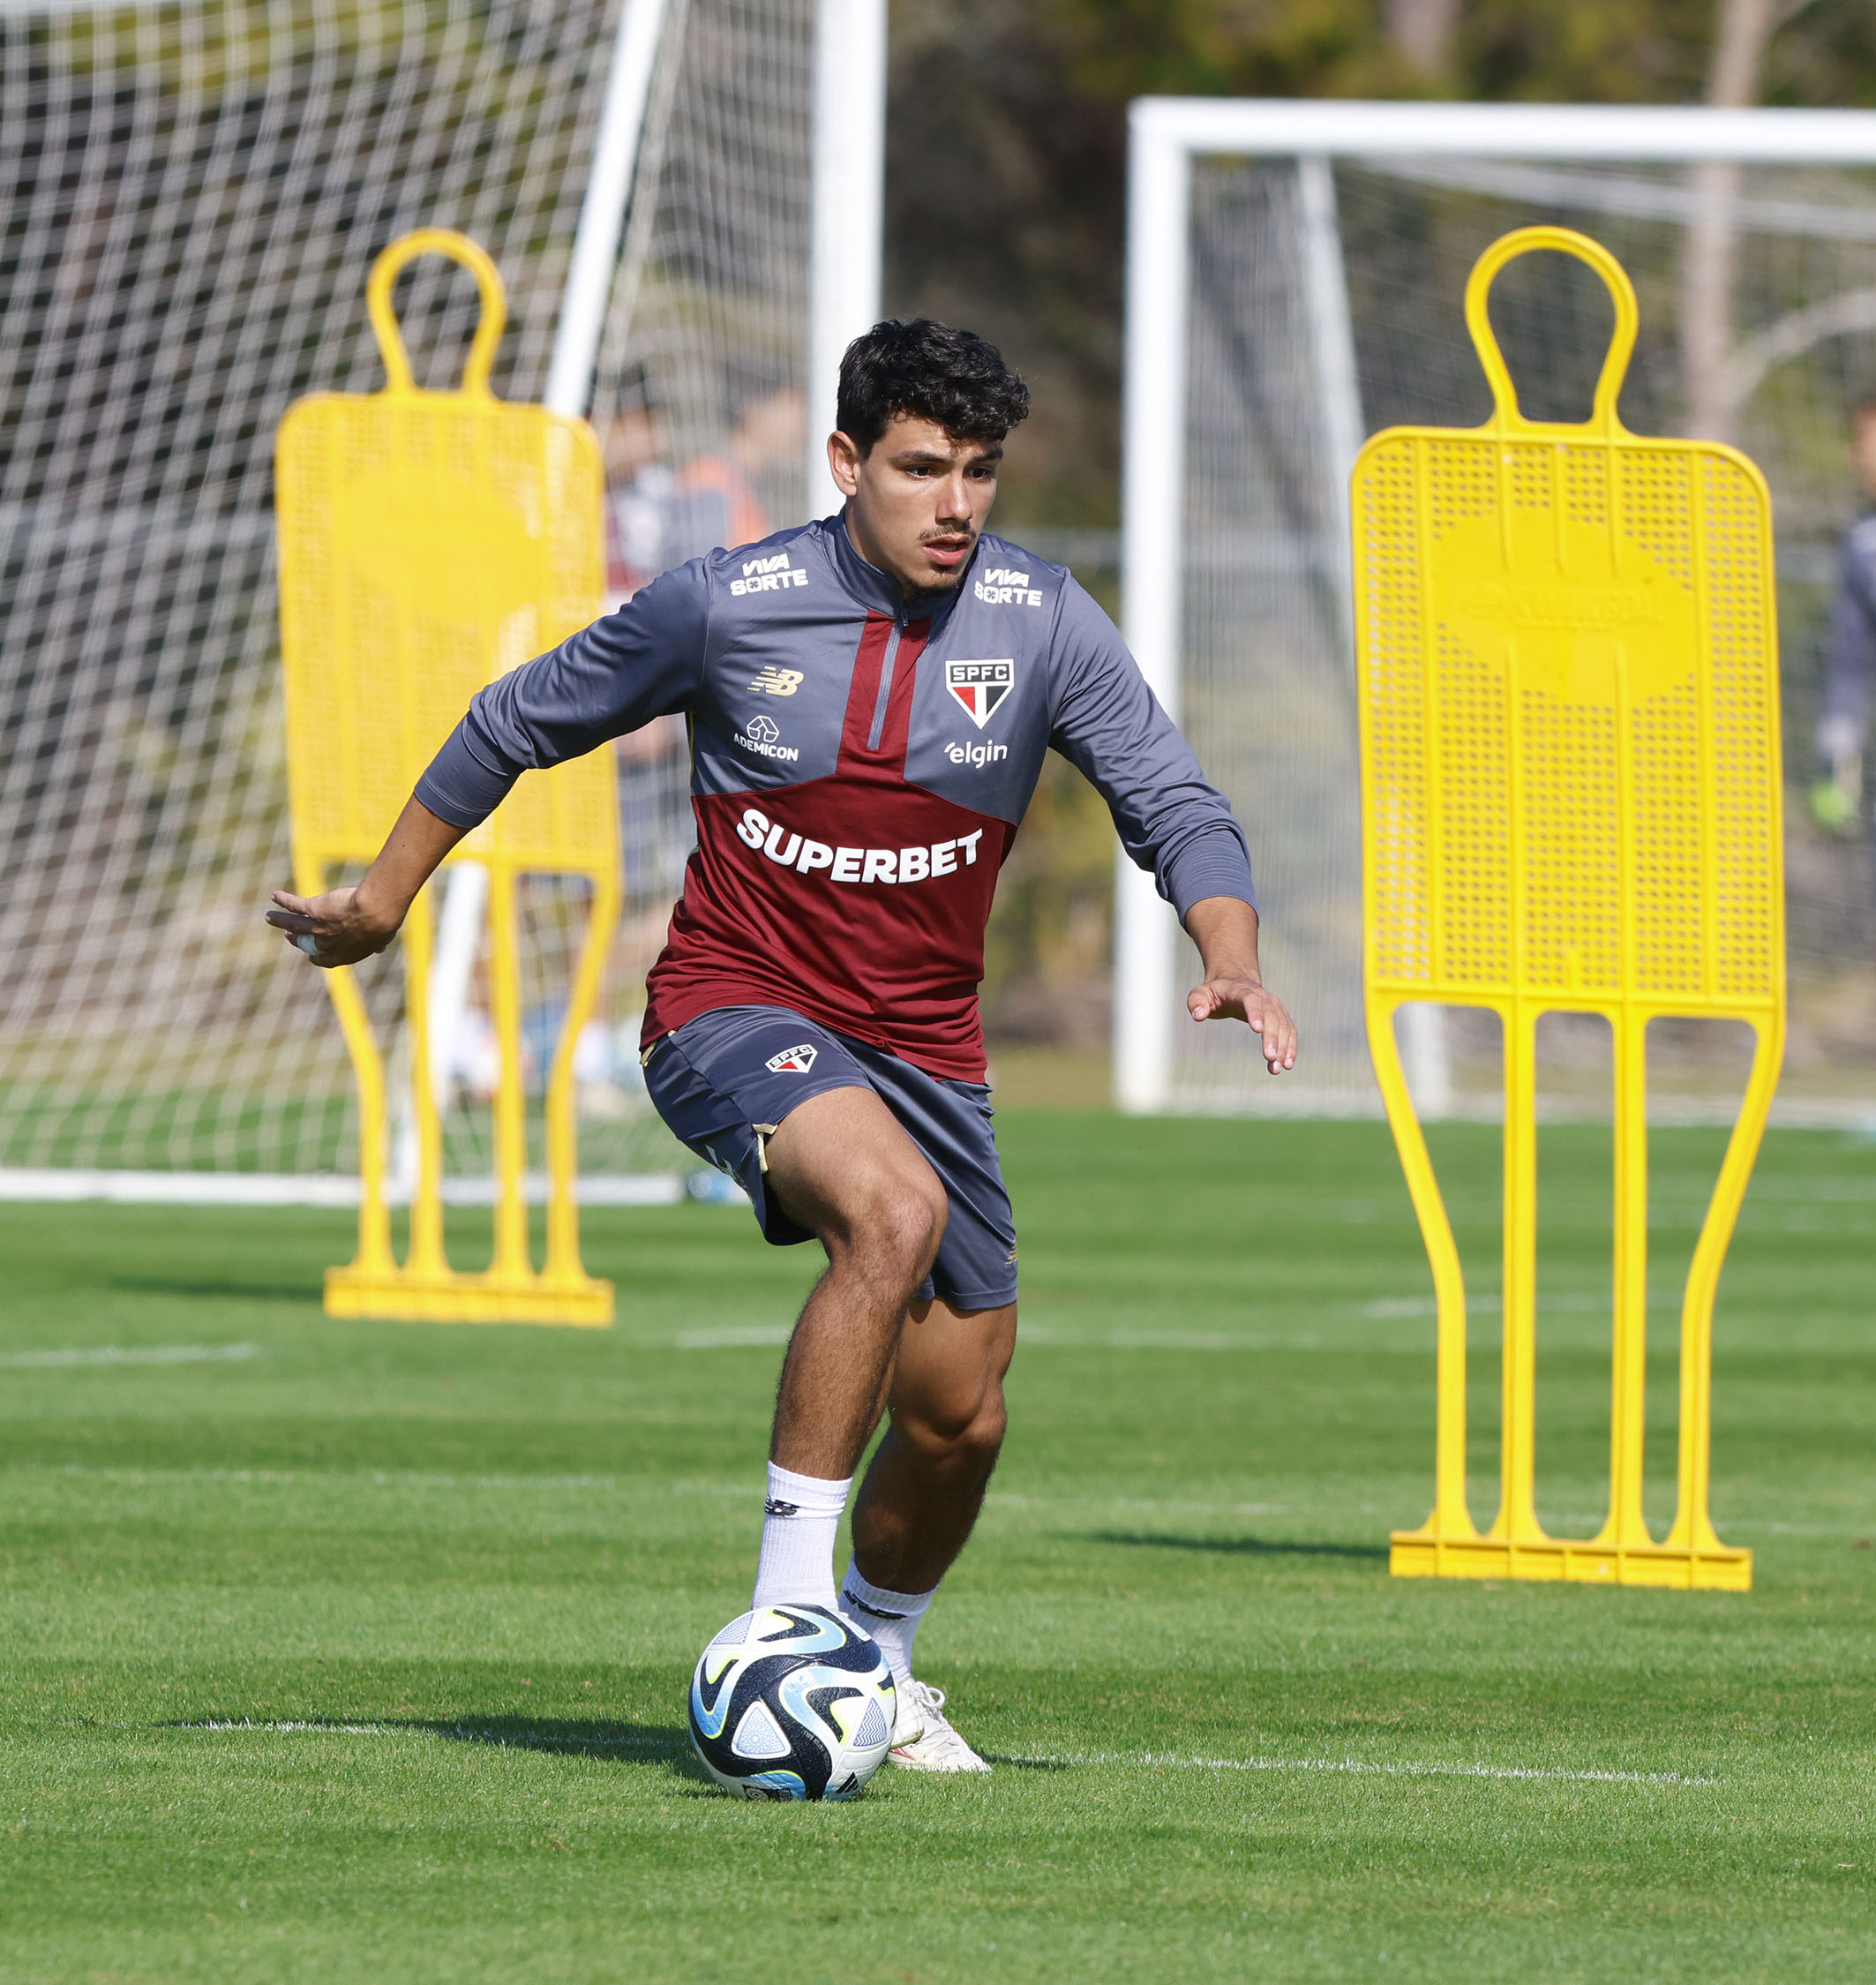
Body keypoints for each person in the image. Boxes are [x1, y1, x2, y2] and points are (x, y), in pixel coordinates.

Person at [266, 319, 1297, 1776]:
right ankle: (785, 1624)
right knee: (887, 1210)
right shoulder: (724, 603)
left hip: (928, 1054)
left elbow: (1175, 800)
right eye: (921, 467)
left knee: (961, 1415)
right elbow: (516, 718)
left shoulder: (1041, 619)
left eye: (980, 472)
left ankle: (873, 1664)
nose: (955, 503)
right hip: (730, 1009)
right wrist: (382, 898)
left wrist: (1232, 954)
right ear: (845, 462)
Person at [1812, 395, 1876, 836]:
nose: (1860, 456)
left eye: (1867, 441)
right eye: (1859, 444)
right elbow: (1849, 659)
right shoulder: (1861, 544)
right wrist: (1838, 745)